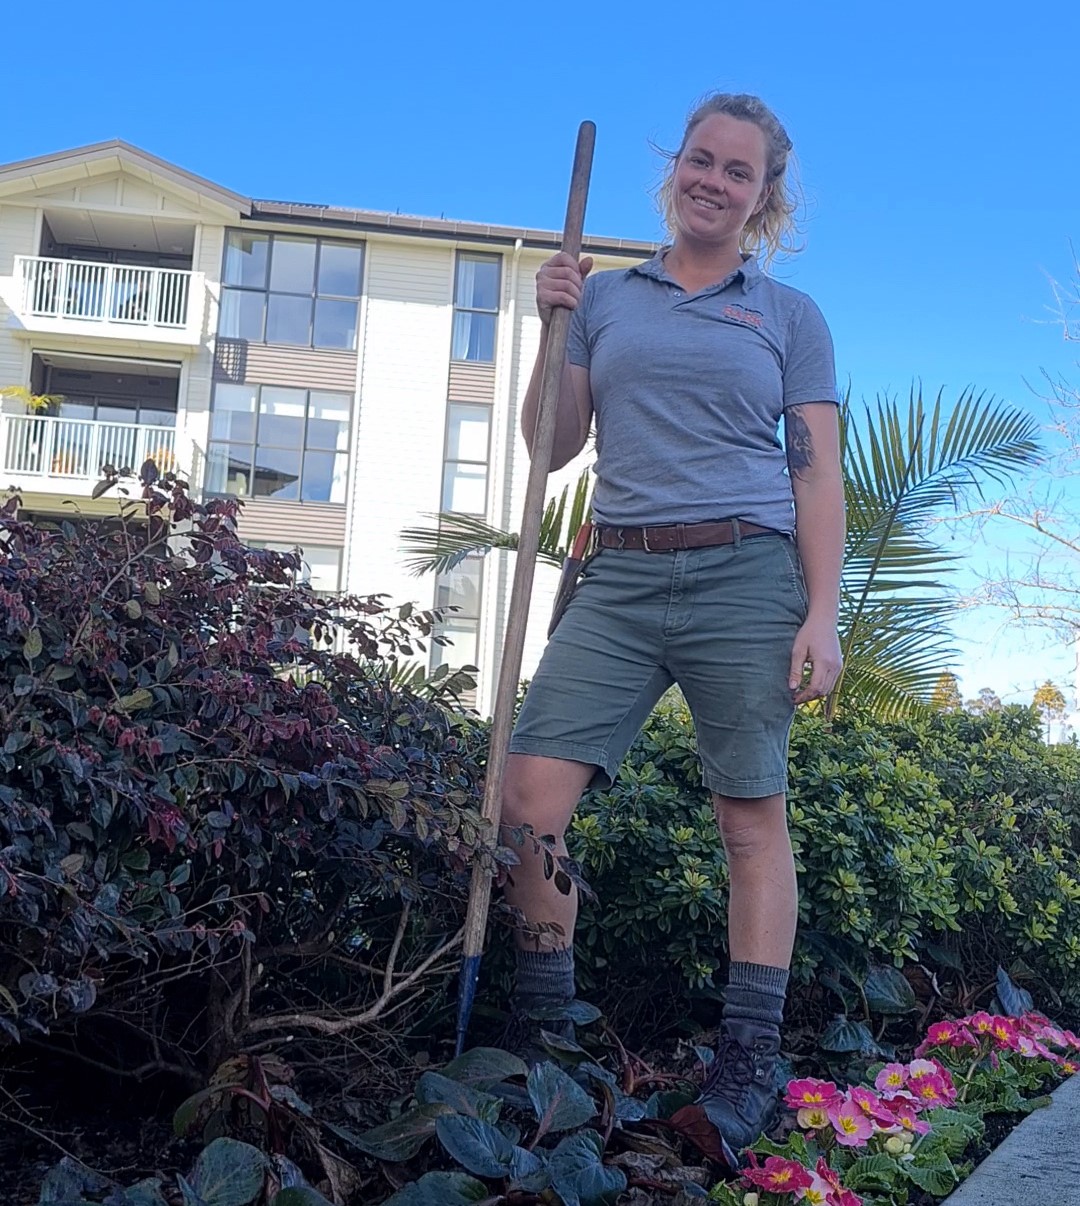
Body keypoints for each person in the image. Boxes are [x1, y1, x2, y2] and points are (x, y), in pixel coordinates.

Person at [501, 92, 845, 1153]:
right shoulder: (605, 301)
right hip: (619, 573)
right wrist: (551, 326)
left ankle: (745, 1065)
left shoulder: (788, 318)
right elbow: (550, 447)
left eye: (738, 171)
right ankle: (547, 1037)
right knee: (528, 801)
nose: (713, 180)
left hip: (747, 574)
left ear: (763, 197)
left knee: (751, 817)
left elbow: (820, 474)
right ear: (676, 169)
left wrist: (822, 613)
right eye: (701, 159)